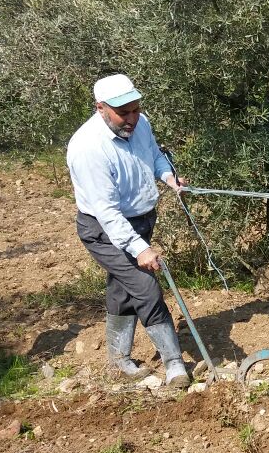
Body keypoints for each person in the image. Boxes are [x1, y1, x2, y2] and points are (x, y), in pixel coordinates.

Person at [66, 73, 191, 388]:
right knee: (145, 287)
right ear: (101, 108)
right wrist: (141, 249)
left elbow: (155, 158)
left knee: (124, 290)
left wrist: (169, 179)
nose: (133, 118)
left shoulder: (140, 123)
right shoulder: (88, 148)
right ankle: (174, 364)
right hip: (104, 231)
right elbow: (107, 213)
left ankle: (119, 359)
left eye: (136, 109)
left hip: (140, 220)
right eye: (124, 112)